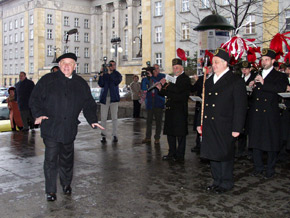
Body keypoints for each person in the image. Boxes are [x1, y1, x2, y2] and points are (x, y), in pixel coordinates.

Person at [29, 53, 104, 201]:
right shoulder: (47, 80)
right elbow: (35, 99)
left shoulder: (80, 83)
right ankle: (51, 191)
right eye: (64, 63)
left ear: (75, 66)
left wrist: (92, 119)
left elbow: (89, 103)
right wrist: (38, 114)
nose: (67, 66)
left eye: (70, 63)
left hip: (69, 128)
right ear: (59, 65)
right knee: (51, 160)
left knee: (67, 159)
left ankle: (66, 184)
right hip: (51, 127)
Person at [196, 48, 247, 194]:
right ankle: (216, 180)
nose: (214, 65)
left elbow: (240, 107)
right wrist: (200, 124)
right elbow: (204, 104)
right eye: (213, 62)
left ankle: (226, 182)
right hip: (210, 124)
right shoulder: (209, 80)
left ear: (225, 63)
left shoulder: (235, 80)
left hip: (226, 124)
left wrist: (237, 128)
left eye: (217, 62)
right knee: (213, 154)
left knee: (224, 155)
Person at [248, 48, 288, 179]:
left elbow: (280, 89)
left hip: (270, 113)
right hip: (257, 113)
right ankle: (258, 167)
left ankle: (270, 168)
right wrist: (251, 87)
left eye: (266, 60)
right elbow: (253, 95)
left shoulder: (280, 76)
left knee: (270, 142)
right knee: (256, 141)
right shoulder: (256, 74)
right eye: (262, 60)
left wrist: (264, 83)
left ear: (273, 61)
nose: (264, 62)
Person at [157, 58, 191, 162]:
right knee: (170, 133)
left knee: (180, 134)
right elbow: (167, 93)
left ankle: (180, 156)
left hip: (179, 110)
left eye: (177, 67)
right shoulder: (172, 79)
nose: (175, 69)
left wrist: (168, 85)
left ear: (182, 68)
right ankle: (171, 153)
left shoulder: (185, 79)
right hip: (170, 109)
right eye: (174, 67)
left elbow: (177, 90)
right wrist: (160, 88)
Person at [235, 61, 257, 158]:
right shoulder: (240, 79)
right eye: (242, 69)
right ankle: (240, 150)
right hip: (243, 107)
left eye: (246, 69)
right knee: (242, 129)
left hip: (251, 106)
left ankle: (251, 151)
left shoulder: (255, 78)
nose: (244, 70)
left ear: (250, 69)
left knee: (251, 130)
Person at [190, 62, 213, 153]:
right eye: (204, 68)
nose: (206, 70)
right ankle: (198, 144)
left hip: (209, 107)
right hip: (200, 106)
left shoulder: (213, 79)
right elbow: (193, 89)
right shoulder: (201, 79)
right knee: (198, 125)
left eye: (208, 68)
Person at [98, 60, 122, 143]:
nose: (112, 66)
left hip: (114, 98)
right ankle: (103, 135)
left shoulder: (117, 74)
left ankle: (114, 135)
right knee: (103, 118)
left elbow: (116, 82)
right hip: (105, 98)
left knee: (114, 118)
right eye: (110, 65)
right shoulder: (104, 74)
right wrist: (101, 75)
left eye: (113, 65)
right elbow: (100, 84)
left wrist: (109, 74)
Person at [141, 64, 165, 145]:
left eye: (157, 69)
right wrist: (145, 79)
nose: (155, 71)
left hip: (159, 102)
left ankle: (157, 138)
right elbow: (144, 88)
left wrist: (152, 77)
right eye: (154, 69)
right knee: (149, 121)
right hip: (150, 103)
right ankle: (148, 137)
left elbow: (160, 84)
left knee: (158, 121)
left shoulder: (162, 76)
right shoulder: (147, 78)